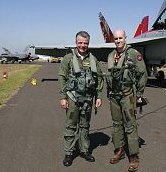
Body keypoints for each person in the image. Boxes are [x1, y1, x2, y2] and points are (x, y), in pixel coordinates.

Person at [58, 31, 104, 166]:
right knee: (71, 126)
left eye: (85, 43)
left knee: (85, 125)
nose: (82, 45)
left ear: (88, 43)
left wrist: (99, 96)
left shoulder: (93, 59)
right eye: (80, 42)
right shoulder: (68, 58)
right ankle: (69, 153)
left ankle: (84, 150)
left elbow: (99, 78)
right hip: (72, 98)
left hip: (88, 99)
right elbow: (62, 76)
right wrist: (63, 97)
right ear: (76, 42)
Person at [106, 29, 147, 172]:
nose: (118, 40)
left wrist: (139, 94)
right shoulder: (111, 55)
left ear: (125, 38)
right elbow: (109, 76)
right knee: (116, 124)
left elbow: (142, 74)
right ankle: (120, 151)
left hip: (128, 95)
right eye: (116, 38)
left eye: (120, 38)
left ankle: (134, 156)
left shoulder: (134, 54)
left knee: (130, 125)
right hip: (114, 96)